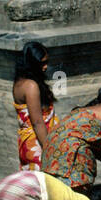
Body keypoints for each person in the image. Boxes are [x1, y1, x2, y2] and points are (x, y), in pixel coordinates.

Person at [41, 82, 101, 190]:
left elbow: (95, 152)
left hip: (49, 156)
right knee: (76, 199)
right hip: (69, 158)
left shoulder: (82, 110)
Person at [13, 41, 59, 171]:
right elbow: (37, 122)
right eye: (42, 63)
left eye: (46, 62)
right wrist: (50, 151)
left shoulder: (20, 82)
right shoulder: (30, 86)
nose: (45, 67)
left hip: (31, 142)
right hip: (38, 143)